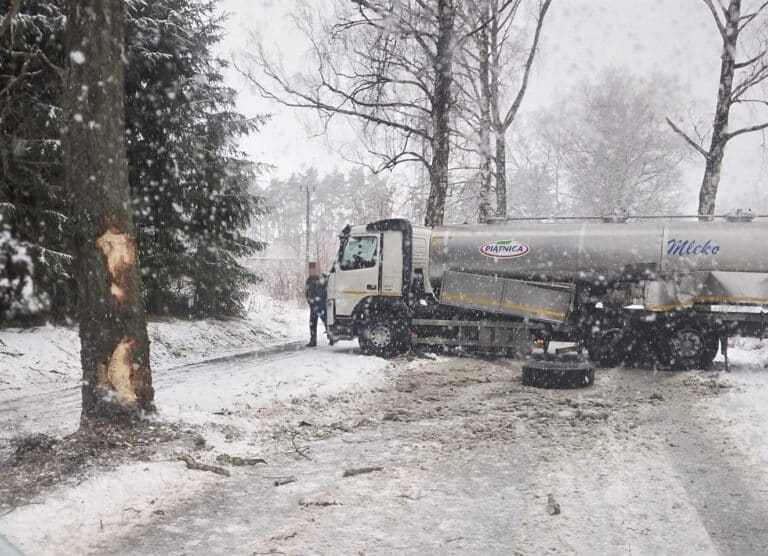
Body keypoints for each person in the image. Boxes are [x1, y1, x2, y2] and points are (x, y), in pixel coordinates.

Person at [305, 261, 327, 347]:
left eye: (313, 269)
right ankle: (313, 341)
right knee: (312, 323)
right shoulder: (309, 279)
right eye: (310, 270)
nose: (311, 271)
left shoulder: (323, 278)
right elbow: (306, 292)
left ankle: (332, 338)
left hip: (321, 304)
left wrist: (322, 300)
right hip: (313, 305)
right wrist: (309, 301)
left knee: (326, 321)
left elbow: (326, 291)